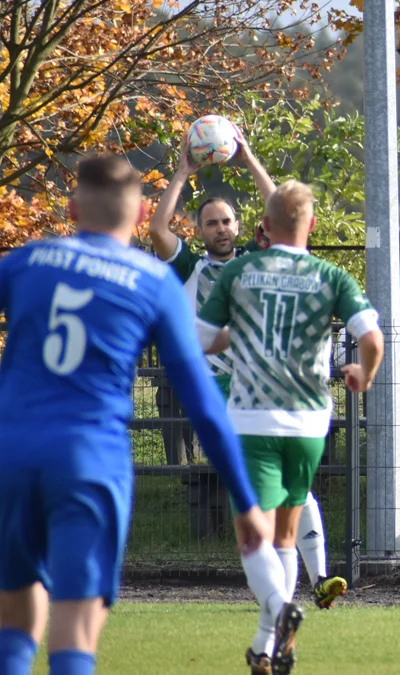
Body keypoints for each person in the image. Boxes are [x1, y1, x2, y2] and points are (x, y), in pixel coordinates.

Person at [0, 154, 270, 675]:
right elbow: (203, 405)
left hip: (10, 453)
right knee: (75, 625)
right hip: (88, 459)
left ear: (74, 208)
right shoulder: (150, 282)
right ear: (143, 210)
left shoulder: (25, 261)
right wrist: (244, 499)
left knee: (14, 609)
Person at [149, 133, 347, 612]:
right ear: (199, 231)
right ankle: (279, 598)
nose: (220, 228)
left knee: (291, 490)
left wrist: (249, 158)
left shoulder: (256, 264)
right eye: (211, 222)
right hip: (216, 393)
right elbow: (157, 231)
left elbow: (284, 210)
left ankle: (317, 580)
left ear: (243, 226)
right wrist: (181, 172)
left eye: (227, 221)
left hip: (260, 391)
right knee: (268, 495)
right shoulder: (191, 267)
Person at [196, 180, 384, 674]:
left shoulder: (239, 270)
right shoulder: (331, 276)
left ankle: (280, 613)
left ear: (263, 227)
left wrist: (234, 337)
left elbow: (199, 338)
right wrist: (363, 374)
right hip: (308, 422)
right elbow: (373, 338)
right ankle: (268, 648)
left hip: (252, 419)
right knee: (284, 536)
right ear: (312, 226)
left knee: (252, 536)